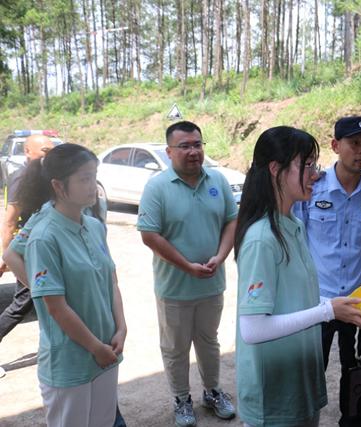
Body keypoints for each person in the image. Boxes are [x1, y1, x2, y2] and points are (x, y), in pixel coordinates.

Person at [234, 126, 361, 427]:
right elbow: (253, 329)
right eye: (307, 165)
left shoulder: (293, 224)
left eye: (315, 164)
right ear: (275, 169)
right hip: (273, 394)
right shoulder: (262, 238)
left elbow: (295, 296)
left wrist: (338, 306)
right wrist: (327, 311)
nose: (316, 174)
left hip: (298, 386)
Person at [295, 116, 361, 427]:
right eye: (355, 144)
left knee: (357, 373)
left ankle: (353, 422)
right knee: (311, 372)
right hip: (318, 301)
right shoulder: (314, 187)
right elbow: (298, 236)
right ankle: (303, 420)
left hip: (358, 301)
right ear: (336, 146)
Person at [137, 120, 236, 427]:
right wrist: (186, 266)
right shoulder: (157, 187)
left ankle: (212, 391)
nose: (193, 151)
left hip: (211, 284)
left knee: (209, 341)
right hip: (175, 288)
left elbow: (231, 221)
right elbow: (149, 235)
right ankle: (182, 398)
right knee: (176, 348)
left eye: (197, 144)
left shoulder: (217, 180)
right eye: (185, 146)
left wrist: (220, 257)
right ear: (169, 152)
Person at [22, 143, 126, 426]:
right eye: (84, 178)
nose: (93, 185)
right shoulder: (44, 237)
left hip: (107, 350)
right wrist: (95, 347)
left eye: (94, 176)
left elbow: (111, 280)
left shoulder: (93, 226)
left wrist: (121, 328)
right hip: (71, 362)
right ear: (58, 186)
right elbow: (56, 308)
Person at [0, 134, 54, 348]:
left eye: (52, 150)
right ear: (28, 152)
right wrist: (5, 255)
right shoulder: (22, 178)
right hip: (28, 250)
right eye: (44, 151)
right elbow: (10, 222)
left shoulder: (48, 176)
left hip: (45, 248)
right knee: (23, 302)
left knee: (50, 299)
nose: (49, 155)